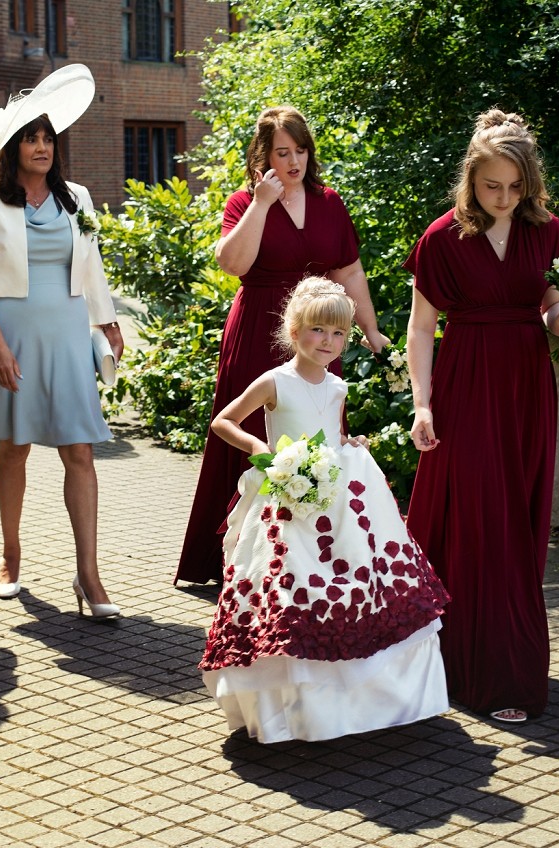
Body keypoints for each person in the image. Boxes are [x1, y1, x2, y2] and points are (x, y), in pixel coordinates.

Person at [199, 277, 451, 744]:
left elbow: (330, 434)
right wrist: (264, 449)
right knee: (292, 586)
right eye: (318, 331)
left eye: (338, 334)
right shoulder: (275, 381)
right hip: (288, 501)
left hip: (338, 503)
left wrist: (347, 442)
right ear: (294, 331)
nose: (328, 342)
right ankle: (289, 707)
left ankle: (359, 702)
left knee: (351, 578)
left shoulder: (338, 386)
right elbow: (223, 421)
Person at [404, 109, 559, 722]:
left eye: (516, 187)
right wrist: (422, 402)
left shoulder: (548, 231)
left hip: (527, 389)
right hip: (465, 385)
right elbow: (422, 328)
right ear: (471, 180)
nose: (505, 198)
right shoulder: (442, 238)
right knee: (479, 521)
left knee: (517, 521)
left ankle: (495, 658)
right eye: (492, 186)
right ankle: (491, 675)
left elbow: (553, 313)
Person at [175, 106, 391, 585]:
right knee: (254, 431)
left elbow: (349, 271)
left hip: (317, 332)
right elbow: (232, 263)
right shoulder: (243, 202)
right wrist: (261, 203)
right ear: (264, 157)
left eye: (300, 150)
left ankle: (318, 553)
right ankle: (239, 558)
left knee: (316, 429)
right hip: (257, 327)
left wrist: (370, 330)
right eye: (282, 152)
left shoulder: (329, 202)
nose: (294, 161)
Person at [0, 64, 122, 618]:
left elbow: (93, 266)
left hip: (70, 333)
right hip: (12, 334)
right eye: (31, 137)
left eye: (48, 137)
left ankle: (89, 576)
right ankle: (10, 552)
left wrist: (107, 321)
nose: (42, 146)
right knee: (16, 445)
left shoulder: (77, 197)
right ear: (10, 148)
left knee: (79, 449)